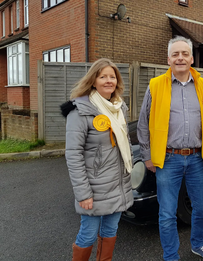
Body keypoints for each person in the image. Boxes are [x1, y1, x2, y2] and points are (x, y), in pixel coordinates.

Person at [137, 36, 203, 261]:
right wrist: (147, 156)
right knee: (166, 214)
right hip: (168, 159)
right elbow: (144, 123)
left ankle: (198, 244)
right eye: (175, 54)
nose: (180, 58)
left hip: (197, 159)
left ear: (192, 58)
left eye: (184, 54)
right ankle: (171, 256)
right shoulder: (155, 86)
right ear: (168, 59)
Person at [60, 58, 134, 261]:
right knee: (88, 234)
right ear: (93, 81)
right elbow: (73, 155)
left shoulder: (119, 107)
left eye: (112, 76)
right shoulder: (80, 111)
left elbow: (123, 145)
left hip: (117, 184)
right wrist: (83, 193)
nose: (108, 81)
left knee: (110, 230)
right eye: (103, 77)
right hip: (94, 188)